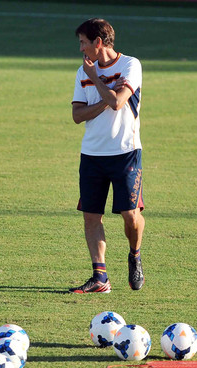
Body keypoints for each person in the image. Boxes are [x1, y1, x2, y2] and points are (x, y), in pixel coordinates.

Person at [69, 18, 145, 293]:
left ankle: (134, 255)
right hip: (91, 154)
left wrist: (96, 82)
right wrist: (103, 94)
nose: (81, 49)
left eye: (83, 43)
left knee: (130, 215)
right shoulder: (82, 72)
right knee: (91, 216)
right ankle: (100, 277)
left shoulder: (130, 65)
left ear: (98, 43)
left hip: (125, 153)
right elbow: (77, 115)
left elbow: (118, 102)